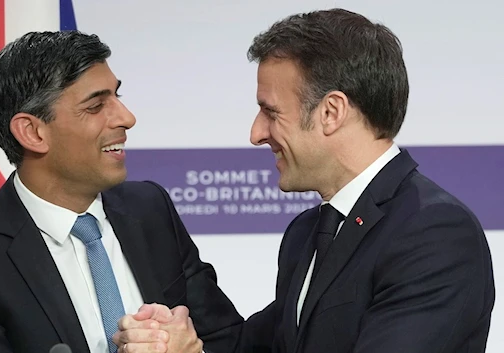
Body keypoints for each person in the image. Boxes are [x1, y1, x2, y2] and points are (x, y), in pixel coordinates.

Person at [115, 8, 495, 353]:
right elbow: (246, 346)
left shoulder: (434, 233)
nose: (256, 133)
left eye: (271, 112)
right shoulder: (308, 232)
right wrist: (172, 335)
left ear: (331, 112)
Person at [0, 30, 243, 353]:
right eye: (96, 106)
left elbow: (226, 338)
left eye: (117, 97)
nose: (127, 118)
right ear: (32, 132)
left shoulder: (150, 208)